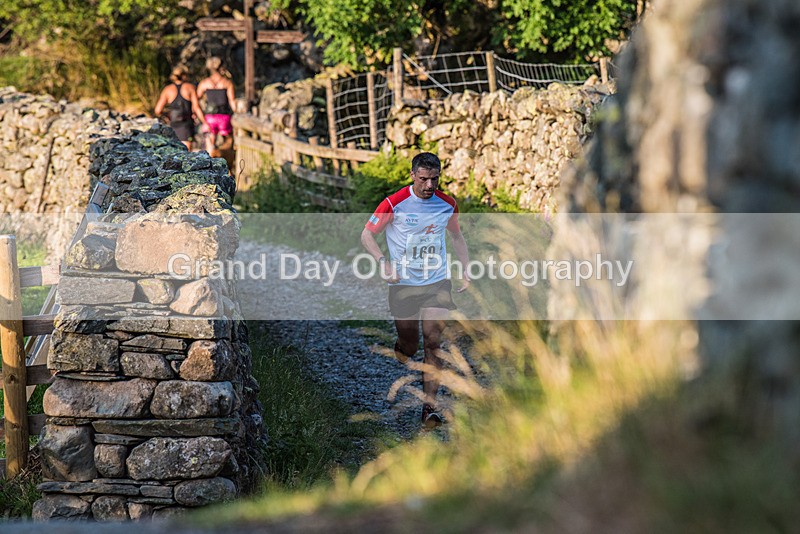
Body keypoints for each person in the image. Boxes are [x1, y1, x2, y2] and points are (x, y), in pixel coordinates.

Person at [361, 152, 471, 429]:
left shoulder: (447, 204)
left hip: (437, 281)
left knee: (433, 342)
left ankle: (429, 409)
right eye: (423, 179)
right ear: (412, 175)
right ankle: (402, 348)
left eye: (434, 179)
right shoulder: (394, 203)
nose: (429, 185)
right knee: (410, 345)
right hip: (403, 283)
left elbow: (456, 236)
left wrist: (467, 268)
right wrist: (383, 263)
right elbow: (366, 235)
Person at [154, 65, 207, 150]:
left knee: (175, 152)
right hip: (186, 125)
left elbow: (157, 110)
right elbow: (196, 107)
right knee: (187, 152)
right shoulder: (190, 87)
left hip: (173, 124)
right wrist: (205, 122)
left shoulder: (167, 89)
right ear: (184, 75)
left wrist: (167, 115)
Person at [197, 57, 236, 156]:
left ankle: (210, 162)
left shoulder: (204, 83)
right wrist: (236, 114)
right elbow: (232, 101)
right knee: (227, 143)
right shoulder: (227, 82)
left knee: (210, 143)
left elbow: (196, 99)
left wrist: (197, 113)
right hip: (224, 117)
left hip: (210, 118)